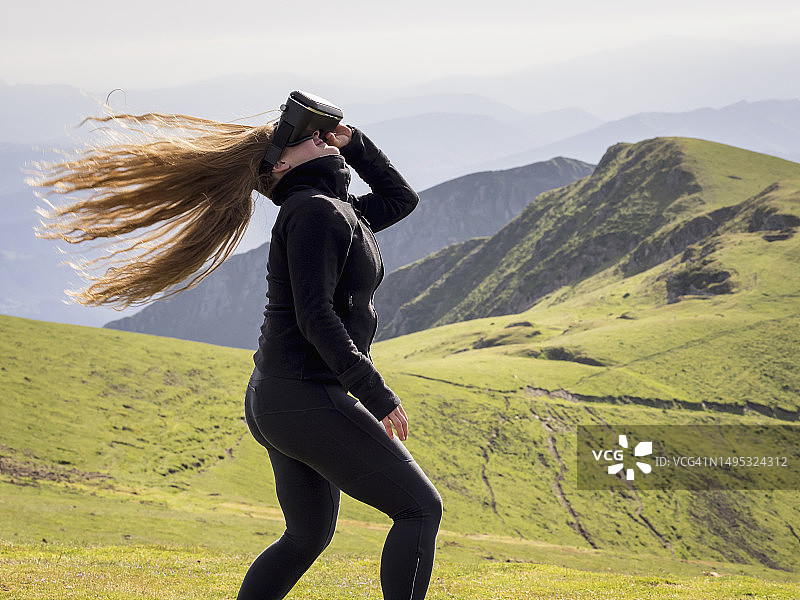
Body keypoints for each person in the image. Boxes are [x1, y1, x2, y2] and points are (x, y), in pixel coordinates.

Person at [30, 96, 443, 600]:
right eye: (306, 136)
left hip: (281, 397)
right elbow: (317, 319)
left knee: (305, 537)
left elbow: (402, 200)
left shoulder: (337, 210)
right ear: (281, 164)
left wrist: (355, 144)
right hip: (303, 397)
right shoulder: (314, 213)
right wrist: (377, 396)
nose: (320, 136)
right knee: (419, 508)